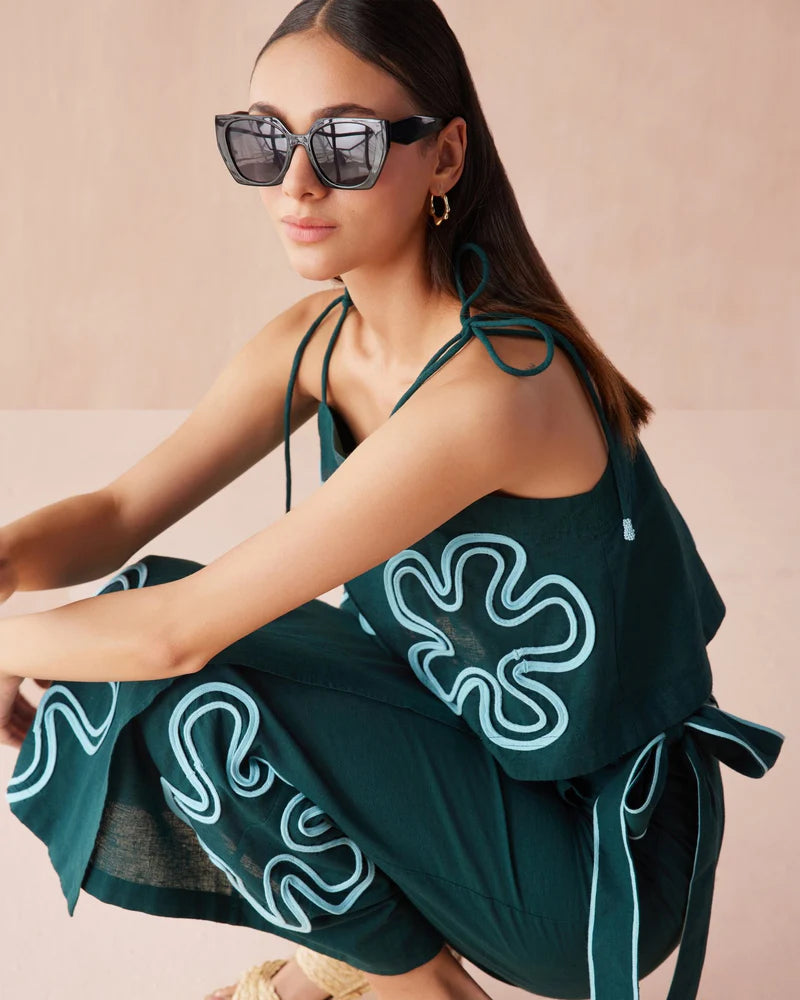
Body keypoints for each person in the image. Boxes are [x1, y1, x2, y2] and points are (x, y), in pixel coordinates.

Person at [0, 3, 785, 1000]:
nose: (296, 182)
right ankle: (350, 965)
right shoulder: (316, 342)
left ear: (444, 156)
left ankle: (411, 989)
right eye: (264, 141)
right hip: (474, 769)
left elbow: (172, 636)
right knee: (130, 629)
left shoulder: (495, 391)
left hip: (601, 859)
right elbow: (117, 514)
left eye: (345, 143)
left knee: (181, 680)